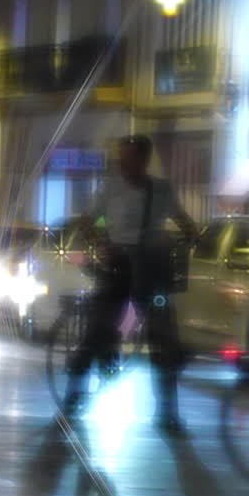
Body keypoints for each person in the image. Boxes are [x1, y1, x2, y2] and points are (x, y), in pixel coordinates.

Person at [62, 134, 198, 434]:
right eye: (121, 158)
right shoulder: (110, 188)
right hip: (120, 266)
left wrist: (185, 238)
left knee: (162, 336)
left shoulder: (162, 190)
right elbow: (86, 221)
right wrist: (102, 244)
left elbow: (185, 223)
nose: (124, 165)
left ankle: (167, 412)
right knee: (99, 329)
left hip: (151, 269)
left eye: (130, 158)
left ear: (144, 159)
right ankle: (75, 392)